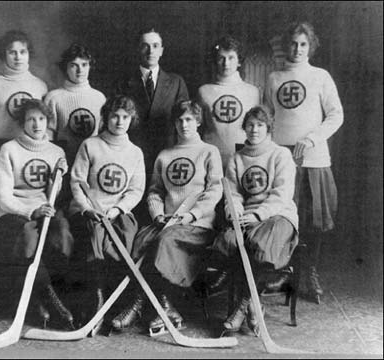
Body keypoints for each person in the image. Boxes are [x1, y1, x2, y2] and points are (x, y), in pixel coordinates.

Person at [110, 100, 223, 335]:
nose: (184, 124)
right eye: (180, 120)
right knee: (140, 240)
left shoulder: (209, 152)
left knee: (165, 241)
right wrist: (158, 214)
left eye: (189, 119)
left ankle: (143, 304)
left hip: (197, 225)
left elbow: (215, 190)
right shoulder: (165, 155)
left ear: (198, 122)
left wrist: (192, 215)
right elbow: (155, 191)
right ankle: (164, 305)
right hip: (167, 221)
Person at [264, 22, 343, 303]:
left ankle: (309, 271)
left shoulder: (321, 76)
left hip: (314, 159)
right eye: (293, 44)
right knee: (284, 216)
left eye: (303, 44)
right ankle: (287, 270)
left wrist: (311, 139)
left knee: (313, 220)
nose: (297, 49)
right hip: (282, 160)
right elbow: (268, 119)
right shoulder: (274, 78)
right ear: (286, 46)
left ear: (311, 47)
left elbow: (336, 115)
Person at [211, 105, 299, 335]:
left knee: (260, 246)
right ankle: (253, 307)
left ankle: (242, 307)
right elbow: (233, 194)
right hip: (247, 218)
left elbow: (282, 194)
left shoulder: (281, 155)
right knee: (229, 242)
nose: (254, 130)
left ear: (268, 127)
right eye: (250, 125)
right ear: (244, 128)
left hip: (277, 215)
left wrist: (258, 215)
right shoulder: (237, 158)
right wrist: (237, 213)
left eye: (260, 125)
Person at [0, 99, 75, 330]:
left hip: (45, 208)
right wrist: (31, 211)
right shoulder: (8, 150)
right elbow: (3, 197)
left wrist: (57, 179)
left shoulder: (56, 151)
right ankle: (43, 300)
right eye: (30, 119)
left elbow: (52, 196)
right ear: (22, 123)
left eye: (41, 119)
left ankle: (52, 296)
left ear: (47, 121)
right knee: (29, 237)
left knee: (62, 232)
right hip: (12, 211)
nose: (37, 124)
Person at [68, 95, 145, 332]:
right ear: (106, 117)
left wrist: (117, 209)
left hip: (117, 211)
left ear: (132, 120)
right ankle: (96, 296)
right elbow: (77, 182)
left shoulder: (135, 152)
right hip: (90, 209)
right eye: (114, 116)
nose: (119, 121)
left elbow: (136, 190)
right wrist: (88, 208)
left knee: (128, 236)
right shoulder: (90, 145)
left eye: (125, 117)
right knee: (93, 237)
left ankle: (118, 301)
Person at [116, 28, 189, 224]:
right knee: (134, 208)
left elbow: (185, 119)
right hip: (132, 155)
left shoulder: (175, 82)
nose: (150, 51)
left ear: (162, 50)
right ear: (138, 49)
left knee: (161, 207)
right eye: (145, 46)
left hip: (166, 154)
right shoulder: (123, 82)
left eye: (155, 46)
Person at [0, 30, 48, 189]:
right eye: (12, 52)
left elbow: (46, 128)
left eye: (22, 52)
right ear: (4, 55)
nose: (18, 57)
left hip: (30, 158)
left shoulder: (40, 86)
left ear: (29, 54)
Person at [197, 35, 261, 169]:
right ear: (216, 60)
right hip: (211, 155)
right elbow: (199, 127)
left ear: (239, 61)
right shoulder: (204, 91)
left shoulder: (252, 91)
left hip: (243, 156)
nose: (226, 63)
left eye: (231, 58)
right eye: (221, 58)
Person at [45, 43, 106, 167]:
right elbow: (47, 136)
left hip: (92, 163)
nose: (80, 70)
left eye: (84, 65)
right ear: (65, 68)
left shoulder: (99, 98)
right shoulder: (53, 98)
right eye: (73, 65)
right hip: (62, 163)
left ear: (90, 66)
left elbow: (104, 136)